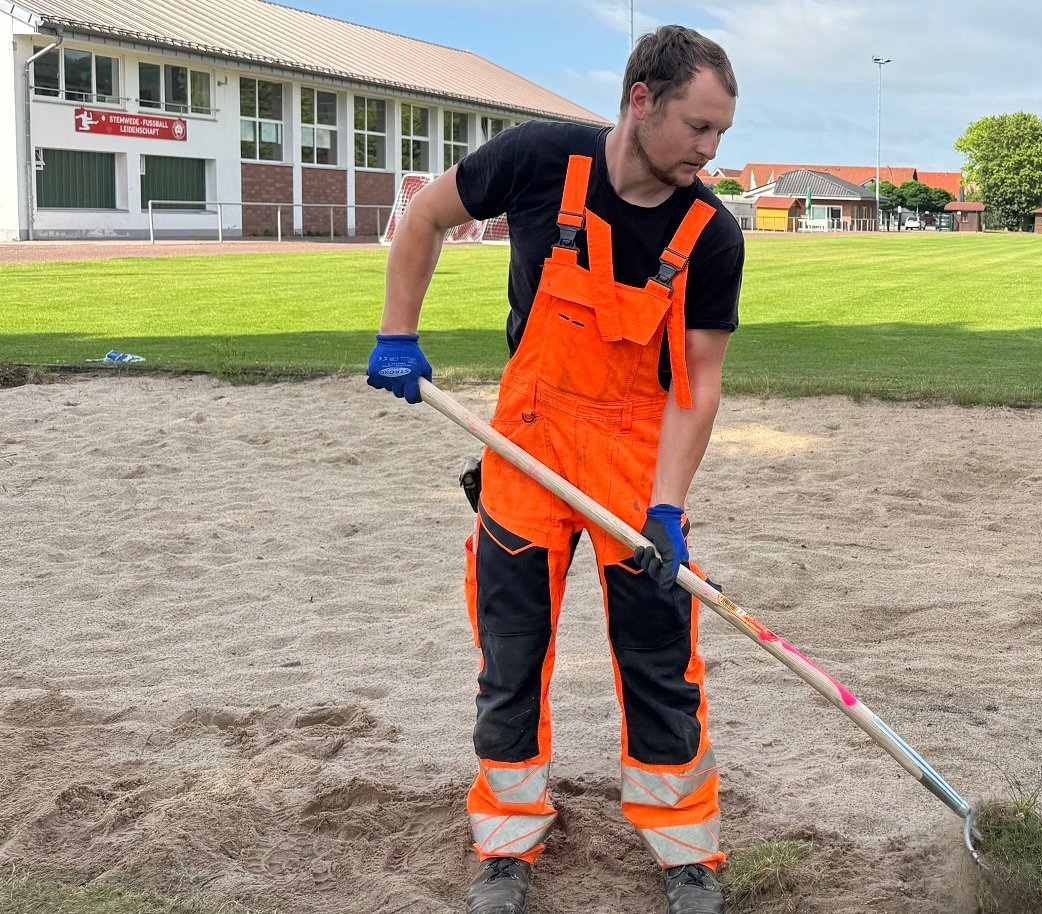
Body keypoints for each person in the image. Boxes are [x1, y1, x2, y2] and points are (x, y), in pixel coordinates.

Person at [367, 25, 743, 914]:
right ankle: (506, 845)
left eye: (721, 132)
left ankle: (685, 851)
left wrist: (669, 509)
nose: (710, 149)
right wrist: (396, 332)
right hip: (525, 447)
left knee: (658, 658)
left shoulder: (711, 233)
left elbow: (699, 384)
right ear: (641, 99)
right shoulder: (541, 160)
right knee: (512, 652)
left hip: (631, 456)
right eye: (698, 126)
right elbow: (425, 212)